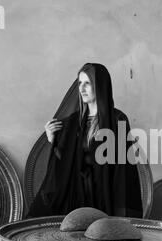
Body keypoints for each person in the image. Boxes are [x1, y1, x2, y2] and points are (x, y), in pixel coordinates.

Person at [28, 63, 143, 218]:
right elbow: (64, 164)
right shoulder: (72, 122)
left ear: (100, 85)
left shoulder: (118, 120)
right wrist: (53, 141)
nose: (81, 89)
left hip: (105, 197)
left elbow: (124, 168)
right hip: (75, 198)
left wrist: (120, 212)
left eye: (87, 83)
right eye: (80, 83)